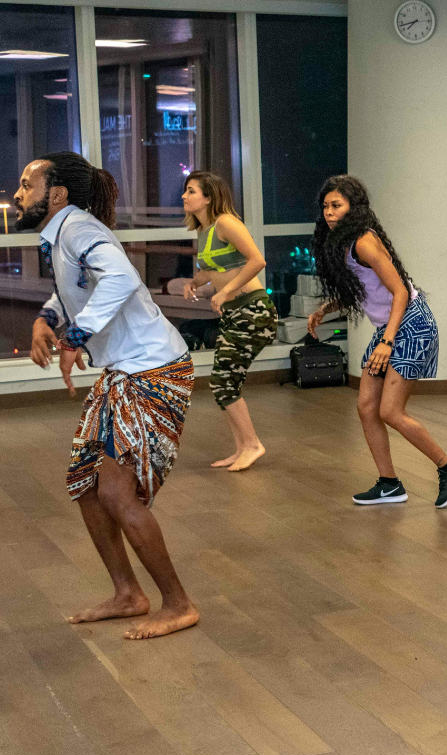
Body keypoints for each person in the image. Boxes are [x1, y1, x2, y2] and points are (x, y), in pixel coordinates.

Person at [15, 151, 199, 639]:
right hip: (124, 371)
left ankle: (178, 603)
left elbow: (119, 277)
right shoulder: (62, 234)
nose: (17, 194)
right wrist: (46, 319)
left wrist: (76, 338)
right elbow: (73, 287)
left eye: (27, 185)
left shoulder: (78, 229)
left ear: (56, 195)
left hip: (155, 370)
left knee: (116, 491)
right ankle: (128, 594)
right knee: (86, 485)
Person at [307, 175, 447, 507]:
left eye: (336, 205)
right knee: (367, 407)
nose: (329, 212)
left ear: (354, 207)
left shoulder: (364, 241)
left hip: (411, 324)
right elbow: (368, 289)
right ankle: (389, 483)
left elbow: (399, 293)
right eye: (325, 206)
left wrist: (387, 341)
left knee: (391, 411)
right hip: (391, 327)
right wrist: (329, 306)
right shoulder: (344, 242)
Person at [182, 171, 278, 471]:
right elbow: (213, 268)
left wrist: (226, 292)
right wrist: (195, 283)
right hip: (236, 312)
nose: (184, 196)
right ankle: (242, 448)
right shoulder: (205, 229)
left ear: (208, 196)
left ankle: (252, 445)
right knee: (223, 383)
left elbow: (257, 261)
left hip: (253, 310)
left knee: (224, 381)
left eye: (191, 191)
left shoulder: (226, 222)